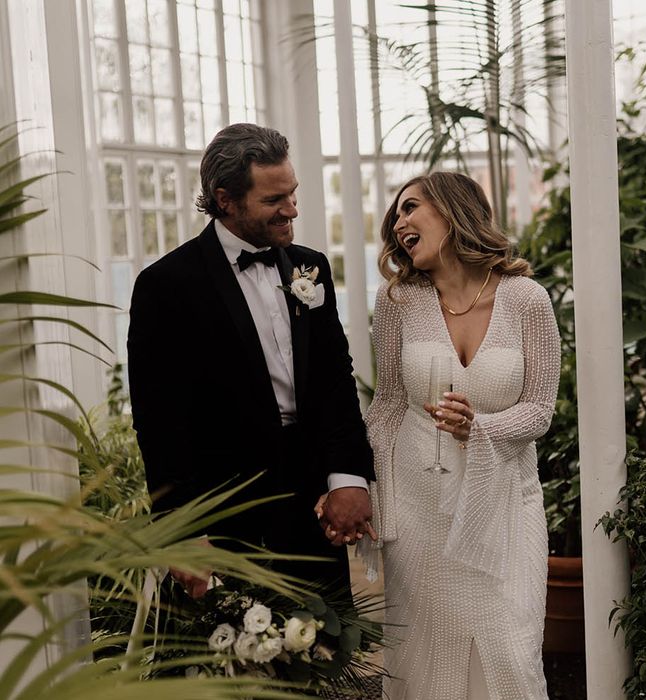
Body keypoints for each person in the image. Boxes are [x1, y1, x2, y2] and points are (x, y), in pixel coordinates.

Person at [127, 123, 376, 598]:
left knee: (323, 653)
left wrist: (348, 478)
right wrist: (182, 530)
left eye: (293, 193)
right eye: (273, 200)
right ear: (225, 199)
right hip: (225, 512)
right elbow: (159, 421)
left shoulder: (311, 266)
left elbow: (334, 381)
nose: (291, 210)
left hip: (313, 502)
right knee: (240, 665)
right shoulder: (166, 285)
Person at [363, 172, 561, 699]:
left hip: (505, 507)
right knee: (425, 655)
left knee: (511, 650)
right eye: (396, 216)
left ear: (452, 211)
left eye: (410, 208)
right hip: (417, 509)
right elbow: (386, 405)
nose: (398, 222)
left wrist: (482, 427)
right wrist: (373, 500)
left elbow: (541, 410)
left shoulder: (526, 299)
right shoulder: (398, 301)